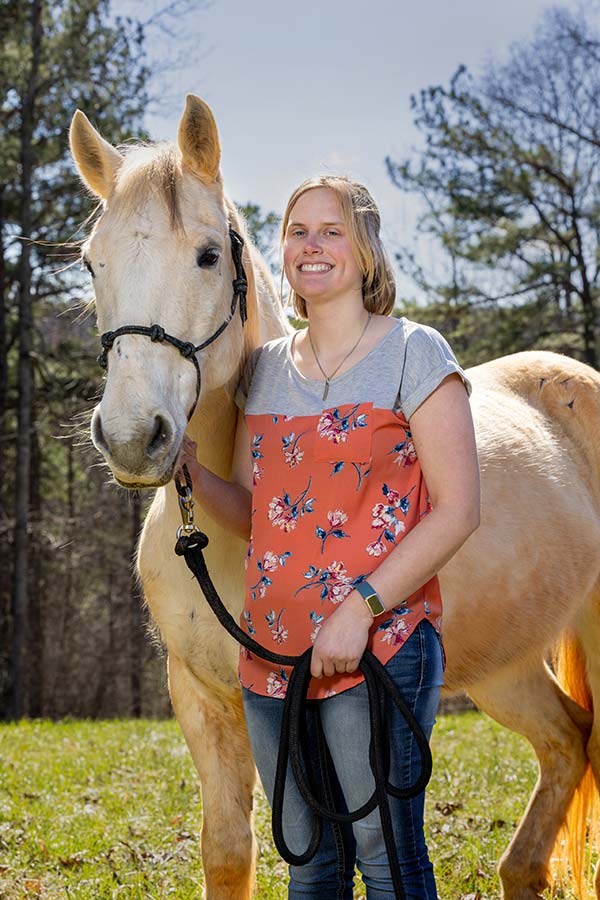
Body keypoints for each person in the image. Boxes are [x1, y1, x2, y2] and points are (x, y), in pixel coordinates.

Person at [180, 175, 480, 900]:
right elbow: (259, 511)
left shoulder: (415, 353)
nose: (311, 246)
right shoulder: (265, 373)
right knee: (309, 867)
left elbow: (459, 508)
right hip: (272, 655)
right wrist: (187, 472)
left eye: (332, 230)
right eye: (297, 231)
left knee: (386, 859)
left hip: (378, 647)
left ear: (366, 250)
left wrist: (360, 609)